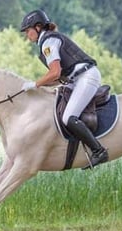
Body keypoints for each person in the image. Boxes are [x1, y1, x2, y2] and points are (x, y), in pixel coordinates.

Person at [19, 9, 109, 168]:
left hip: (86, 77)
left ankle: (98, 151)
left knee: (68, 117)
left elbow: (55, 72)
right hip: (76, 79)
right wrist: (41, 86)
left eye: (28, 30)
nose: (27, 35)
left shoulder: (48, 42)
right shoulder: (46, 41)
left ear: (38, 27)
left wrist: (35, 84)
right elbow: (58, 77)